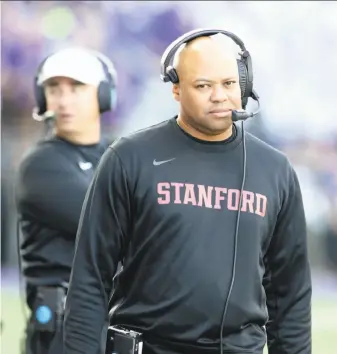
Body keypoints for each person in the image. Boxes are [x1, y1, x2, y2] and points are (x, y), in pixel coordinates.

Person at [64, 29, 312, 354]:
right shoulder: (128, 158)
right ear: (177, 90)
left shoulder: (275, 170)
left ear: (245, 85)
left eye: (229, 83)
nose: (220, 96)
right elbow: (90, 280)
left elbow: (290, 294)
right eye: (203, 86)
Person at [15, 47, 118, 354]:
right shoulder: (40, 165)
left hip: (112, 321)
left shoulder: (119, 154)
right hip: (64, 329)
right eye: (53, 89)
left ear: (102, 94)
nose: (63, 99)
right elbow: (112, 224)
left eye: (76, 87)